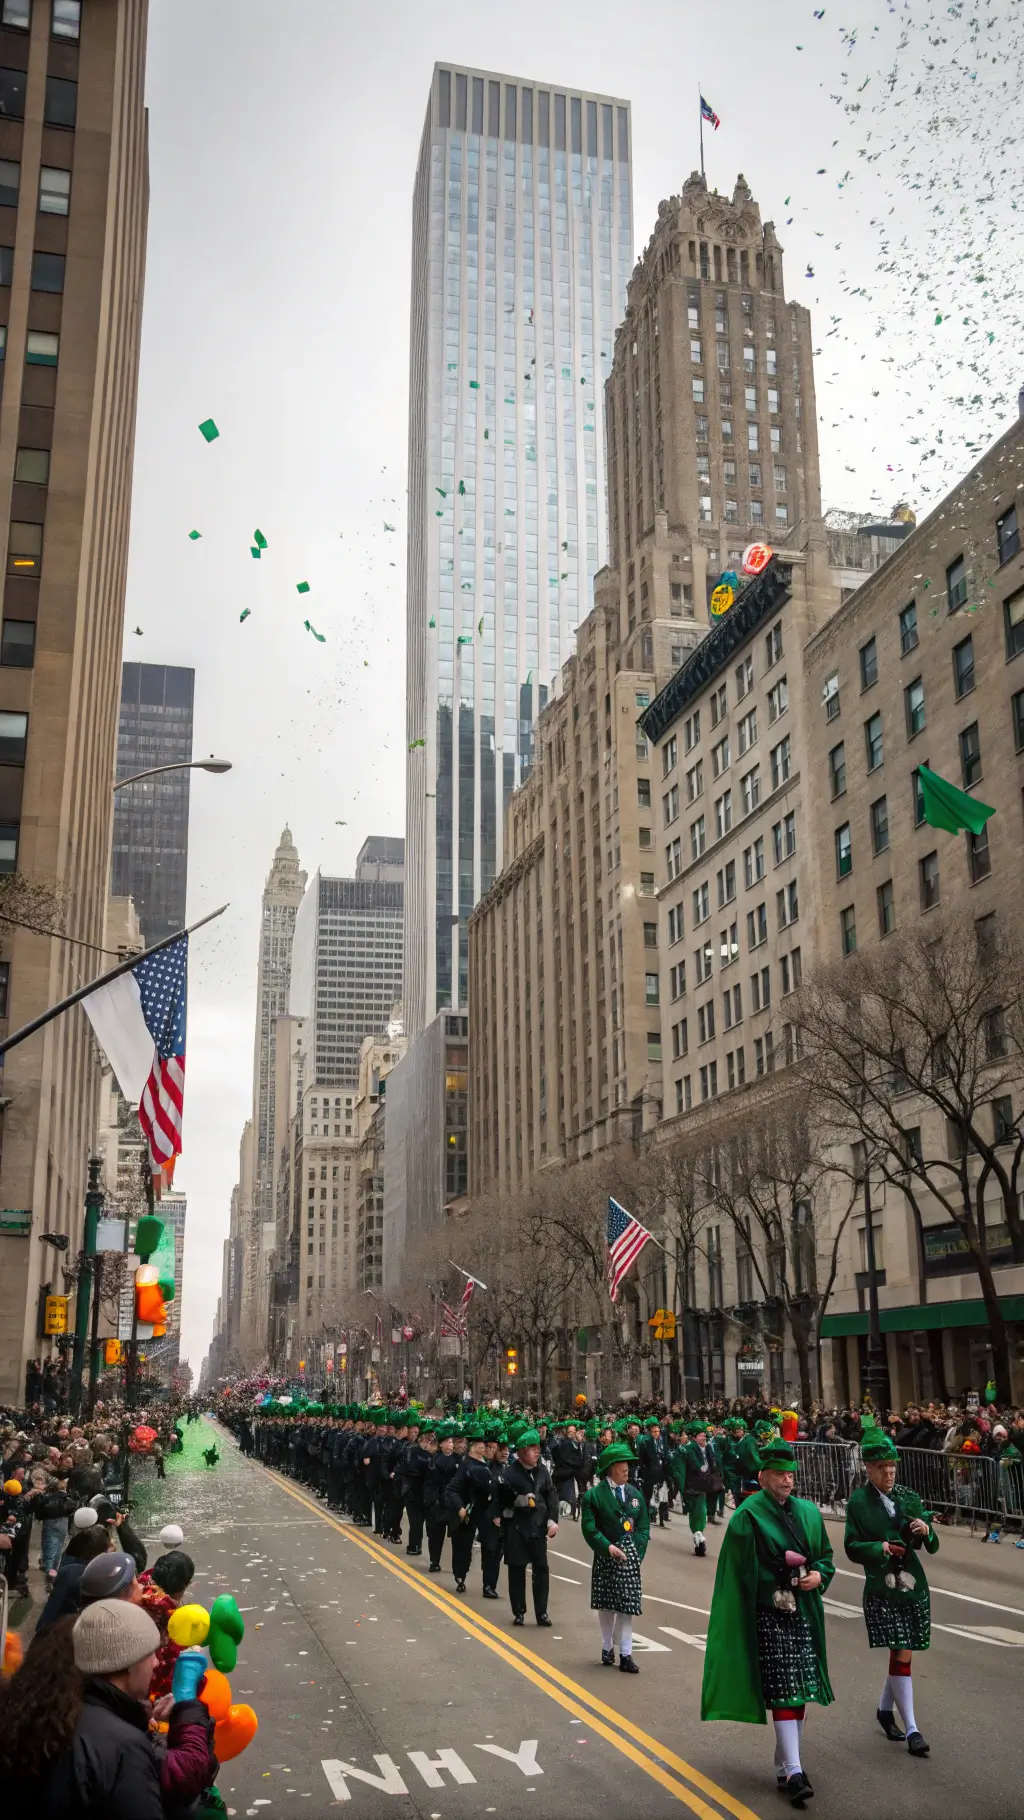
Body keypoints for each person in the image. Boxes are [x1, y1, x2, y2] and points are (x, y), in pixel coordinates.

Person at [701, 1437, 835, 1808]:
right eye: (778, 1474)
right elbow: (739, 1570)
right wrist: (778, 1575)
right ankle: (794, 1769)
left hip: (803, 1610)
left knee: (801, 1690)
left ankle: (784, 1765)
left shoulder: (808, 1512)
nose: (786, 1480)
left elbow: (825, 1556)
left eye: (790, 1474)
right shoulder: (748, 1514)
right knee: (783, 1692)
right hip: (770, 1610)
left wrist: (818, 1577)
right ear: (763, 1477)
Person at [844, 1429, 936, 1757]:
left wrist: (926, 1529)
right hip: (882, 1588)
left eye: (892, 1467)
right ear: (868, 1469)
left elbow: (931, 1541)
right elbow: (851, 1547)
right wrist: (880, 1547)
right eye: (882, 1467)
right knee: (901, 1650)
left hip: (912, 1587)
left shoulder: (909, 1497)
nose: (889, 1473)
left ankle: (885, 1710)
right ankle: (912, 1728)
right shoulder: (858, 1502)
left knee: (903, 1651)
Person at [579, 1441, 649, 1673]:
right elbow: (590, 1529)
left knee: (628, 1607)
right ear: (610, 1468)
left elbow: (643, 1527)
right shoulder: (593, 1497)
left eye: (628, 1465)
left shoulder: (634, 1494)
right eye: (622, 1465)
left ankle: (626, 1655)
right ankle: (607, 1646)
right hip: (607, 1554)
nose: (627, 1469)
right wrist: (607, 1548)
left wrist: (636, 1553)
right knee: (607, 1606)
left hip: (629, 1558)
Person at [492, 1427, 558, 1628]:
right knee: (517, 1569)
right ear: (521, 1452)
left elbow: (551, 1495)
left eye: (537, 1448)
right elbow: (501, 1498)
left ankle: (542, 1613)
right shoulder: (509, 1474)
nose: (536, 1452)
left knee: (541, 1570)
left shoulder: (542, 1471)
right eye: (531, 1449)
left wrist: (552, 1520)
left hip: (538, 1528)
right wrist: (518, 1500)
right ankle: (519, 1611)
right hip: (517, 1528)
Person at [34, 1523, 113, 1633]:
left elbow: (52, 1608)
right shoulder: (92, 1574)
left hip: (54, 1628)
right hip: (66, 1631)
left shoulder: (70, 1567)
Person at [445, 1426, 493, 1593]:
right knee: (463, 1545)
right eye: (481, 1444)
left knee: (491, 1546)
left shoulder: (487, 1466)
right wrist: (459, 1507)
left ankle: (489, 1584)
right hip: (468, 1512)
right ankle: (460, 1575)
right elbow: (451, 1489)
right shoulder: (465, 1466)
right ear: (473, 1446)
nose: (484, 1447)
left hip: (485, 1511)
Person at [670, 1420, 723, 1557]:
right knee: (697, 1510)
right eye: (700, 1436)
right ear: (694, 1437)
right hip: (693, 1486)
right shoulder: (689, 1449)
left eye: (704, 1436)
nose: (703, 1438)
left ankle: (698, 1534)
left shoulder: (708, 1448)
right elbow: (695, 1466)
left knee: (700, 1511)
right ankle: (698, 1534)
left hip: (705, 1485)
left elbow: (714, 1463)